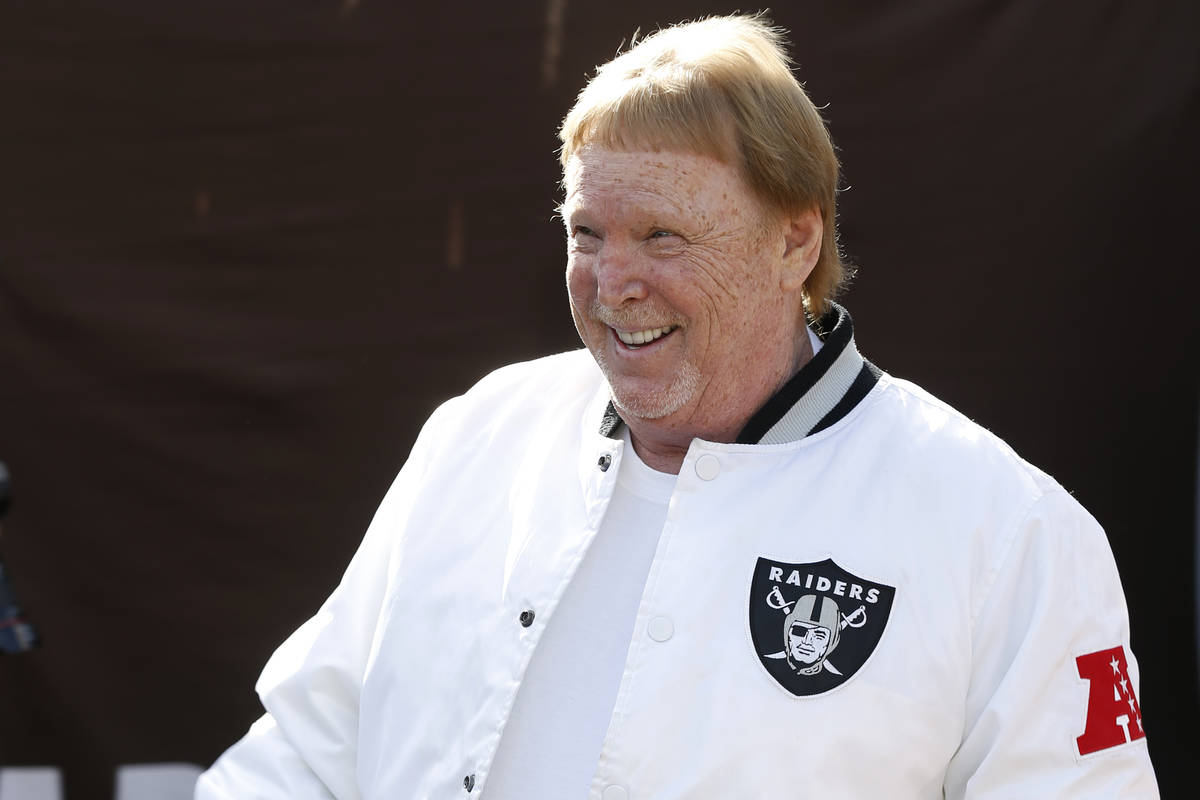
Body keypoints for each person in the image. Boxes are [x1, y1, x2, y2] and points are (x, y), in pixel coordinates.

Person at [196, 14, 1158, 799]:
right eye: (587, 231)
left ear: (794, 242)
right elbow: (303, 761)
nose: (614, 283)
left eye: (662, 235)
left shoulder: (1007, 530)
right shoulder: (483, 431)